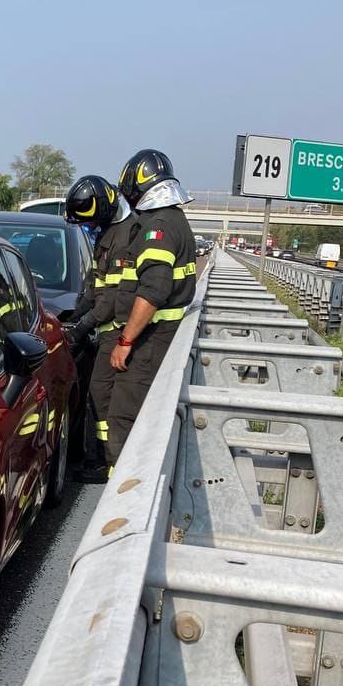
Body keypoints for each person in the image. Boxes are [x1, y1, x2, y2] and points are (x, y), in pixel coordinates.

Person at [106, 149, 197, 467]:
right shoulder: (175, 220)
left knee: (124, 421)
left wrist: (125, 341)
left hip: (148, 345)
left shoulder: (157, 228)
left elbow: (153, 291)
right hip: (162, 340)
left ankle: (118, 499)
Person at [62, 175, 137, 482]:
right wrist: (72, 313)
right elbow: (93, 289)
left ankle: (107, 465)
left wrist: (79, 330)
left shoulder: (123, 239)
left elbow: (108, 302)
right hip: (103, 329)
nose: (88, 229)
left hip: (115, 331)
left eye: (90, 223)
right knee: (97, 394)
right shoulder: (107, 234)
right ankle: (100, 459)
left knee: (101, 395)